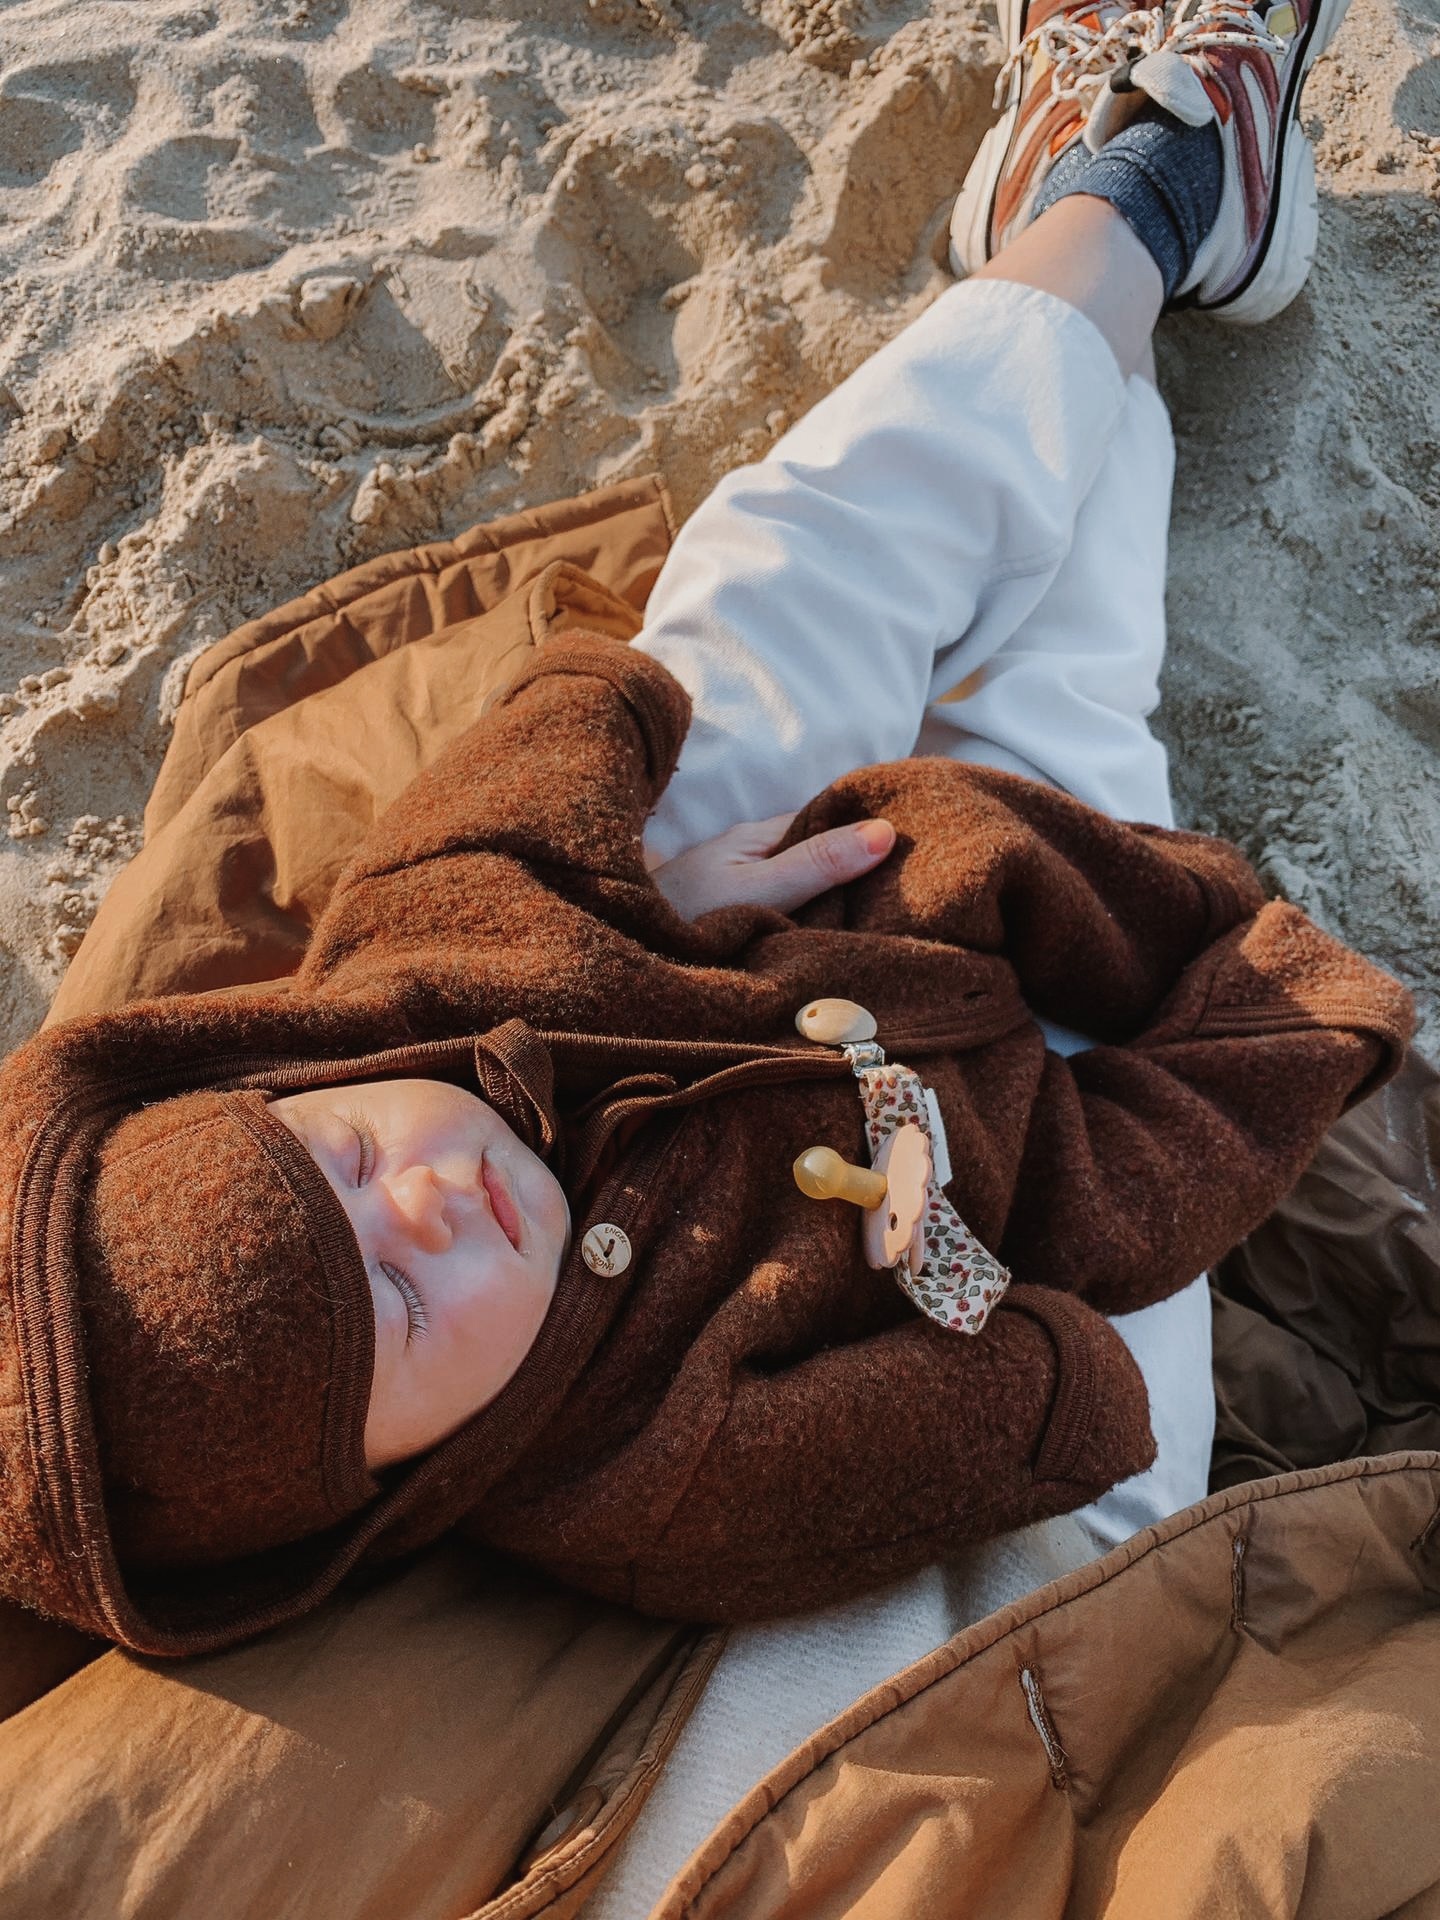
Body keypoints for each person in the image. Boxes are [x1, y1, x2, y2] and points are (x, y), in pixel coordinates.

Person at [0, 0, 1408, 1658]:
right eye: (395, 1306)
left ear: (282, 1078)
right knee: (1066, 721)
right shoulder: (657, 1477)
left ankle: (1128, 211)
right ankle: (1115, 210)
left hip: (832, 927)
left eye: (351, 1158)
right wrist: (950, 1276)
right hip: (1020, 1178)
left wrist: (628, 856)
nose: (432, 1204)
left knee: (775, 587)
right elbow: (1071, 1409)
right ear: (388, 1486)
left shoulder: (426, 989)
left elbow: (528, 776)